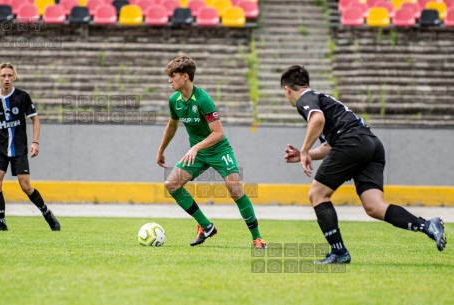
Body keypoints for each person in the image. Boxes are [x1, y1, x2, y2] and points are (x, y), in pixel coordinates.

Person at [280, 65, 446, 264]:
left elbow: (317, 120)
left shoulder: (305, 99)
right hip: (371, 144)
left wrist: (305, 149)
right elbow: (331, 146)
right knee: (374, 207)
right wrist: (303, 155)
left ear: (287, 89)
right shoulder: (322, 99)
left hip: (352, 142)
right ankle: (427, 225)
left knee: (317, 194)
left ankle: (339, 252)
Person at [157, 56, 266, 248]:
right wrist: (161, 150)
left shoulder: (203, 99)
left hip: (218, 148)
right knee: (171, 184)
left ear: (185, 77)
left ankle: (257, 238)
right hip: (197, 152)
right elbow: (171, 126)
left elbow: (218, 133)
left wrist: (196, 146)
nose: (169, 80)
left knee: (234, 187)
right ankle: (206, 226)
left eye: (172, 76)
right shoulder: (174, 101)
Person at [0, 63, 60, 231]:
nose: (6, 79)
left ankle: (47, 214)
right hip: (0, 149)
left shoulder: (22, 97)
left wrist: (35, 142)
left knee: (26, 186)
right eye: (3, 75)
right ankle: (1, 223)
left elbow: (35, 119)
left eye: (9, 75)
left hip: (19, 149)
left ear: (14, 77)